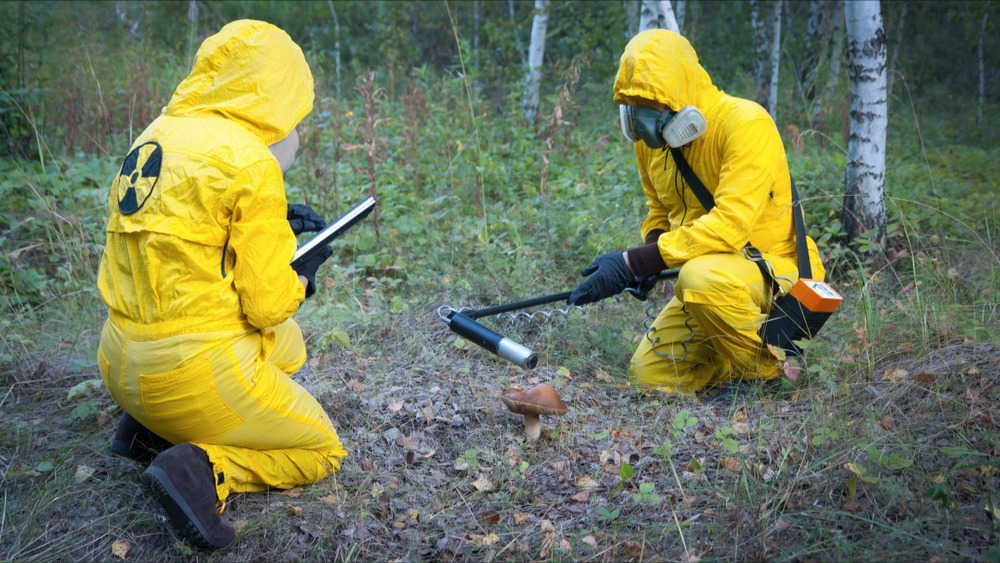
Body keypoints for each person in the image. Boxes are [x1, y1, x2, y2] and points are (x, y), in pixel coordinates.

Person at [96, 20, 346, 550]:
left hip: (119, 361)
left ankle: (142, 426)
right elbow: (267, 305)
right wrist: (302, 273)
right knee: (322, 448)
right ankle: (201, 467)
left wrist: (274, 228)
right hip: (192, 374)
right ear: (277, 97)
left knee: (290, 347)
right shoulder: (251, 161)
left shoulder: (155, 136)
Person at [567, 29, 826, 393]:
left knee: (698, 279)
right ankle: (730, 356)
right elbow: (659, 211)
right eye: (632, 103)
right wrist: (651, 251)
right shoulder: (651, 147)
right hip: (710, 275)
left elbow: (729, 227)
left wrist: (635, 262)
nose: (638, 117)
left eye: (649, 102)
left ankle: (771, 374)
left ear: (680, 97)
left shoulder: (746, 124)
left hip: (776, 273)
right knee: (649, 376)